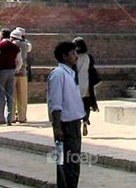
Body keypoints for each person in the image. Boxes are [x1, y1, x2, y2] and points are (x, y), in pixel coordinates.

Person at [47, 41, 85, 188]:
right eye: (73, 53)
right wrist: (57, 127)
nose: (76, 56)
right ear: (64, 56)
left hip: (74, 122)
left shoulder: (70, 74)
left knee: (73, 163)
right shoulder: (58, 74)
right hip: (65, 124)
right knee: (67, 163)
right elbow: (55, 103)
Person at [0, 29, 22, 126]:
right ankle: (9, 119)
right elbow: (20, 61)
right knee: (10, 95)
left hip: (0, 71)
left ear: (1, 35)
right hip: (11, 71)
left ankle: (0, 119)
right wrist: (16, 69)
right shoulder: (16, 47)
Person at [73, 37, 99, 136]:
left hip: (76, 84)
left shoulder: (74, 57)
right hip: (87, 84)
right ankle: (85, 120)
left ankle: (78, 122)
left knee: (76, 104)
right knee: (86, 104)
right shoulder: (89, 57)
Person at [11, 28, 32, 124]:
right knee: (22, 97)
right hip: (23, 72)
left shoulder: (11, 45)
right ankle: (22, 117)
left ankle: (11, 117)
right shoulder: (25, 45)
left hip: (12, 73)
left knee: (12, 96)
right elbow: (29, 47)